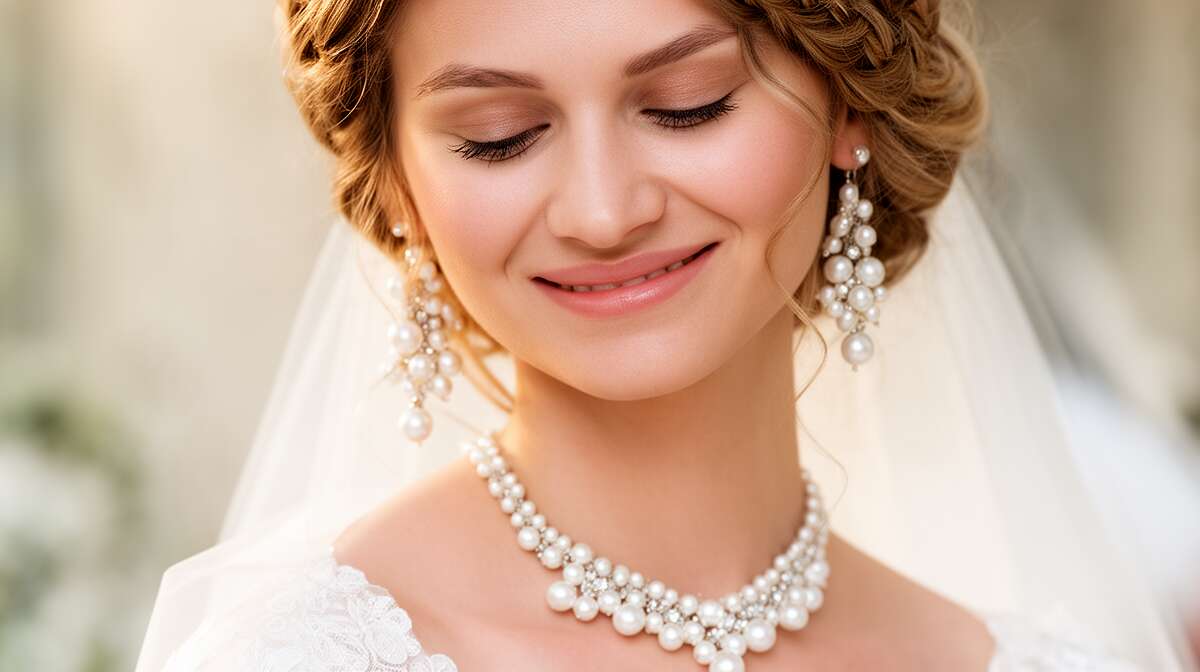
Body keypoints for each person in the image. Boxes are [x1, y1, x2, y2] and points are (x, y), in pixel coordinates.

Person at [135, 0, 1196, 670]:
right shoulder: (298, 655)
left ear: (847, 109)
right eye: (499, 139)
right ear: (399, 182)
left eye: (688, 106)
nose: (603, 212)